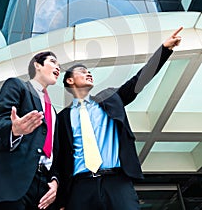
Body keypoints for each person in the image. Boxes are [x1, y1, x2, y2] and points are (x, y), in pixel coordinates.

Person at [56, 27, 183, 210]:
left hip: (116, 183)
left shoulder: (110, 98)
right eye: (82, 71)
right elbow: (59, 159)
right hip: (80, 187)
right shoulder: (62, 118)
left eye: (89, 71)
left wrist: (164, 49)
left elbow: (140, 80)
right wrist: (62, 200)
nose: (88, 73)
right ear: (69, 80)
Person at [0, 51, 61, 210]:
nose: (58, 67)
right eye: (53, 62)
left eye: (59, 65)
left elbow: (55, 152)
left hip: (43, 190)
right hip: (13, 181)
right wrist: (14, 129)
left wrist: (55, 181)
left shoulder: (54, 112)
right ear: (37, 65)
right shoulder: (17, 85)